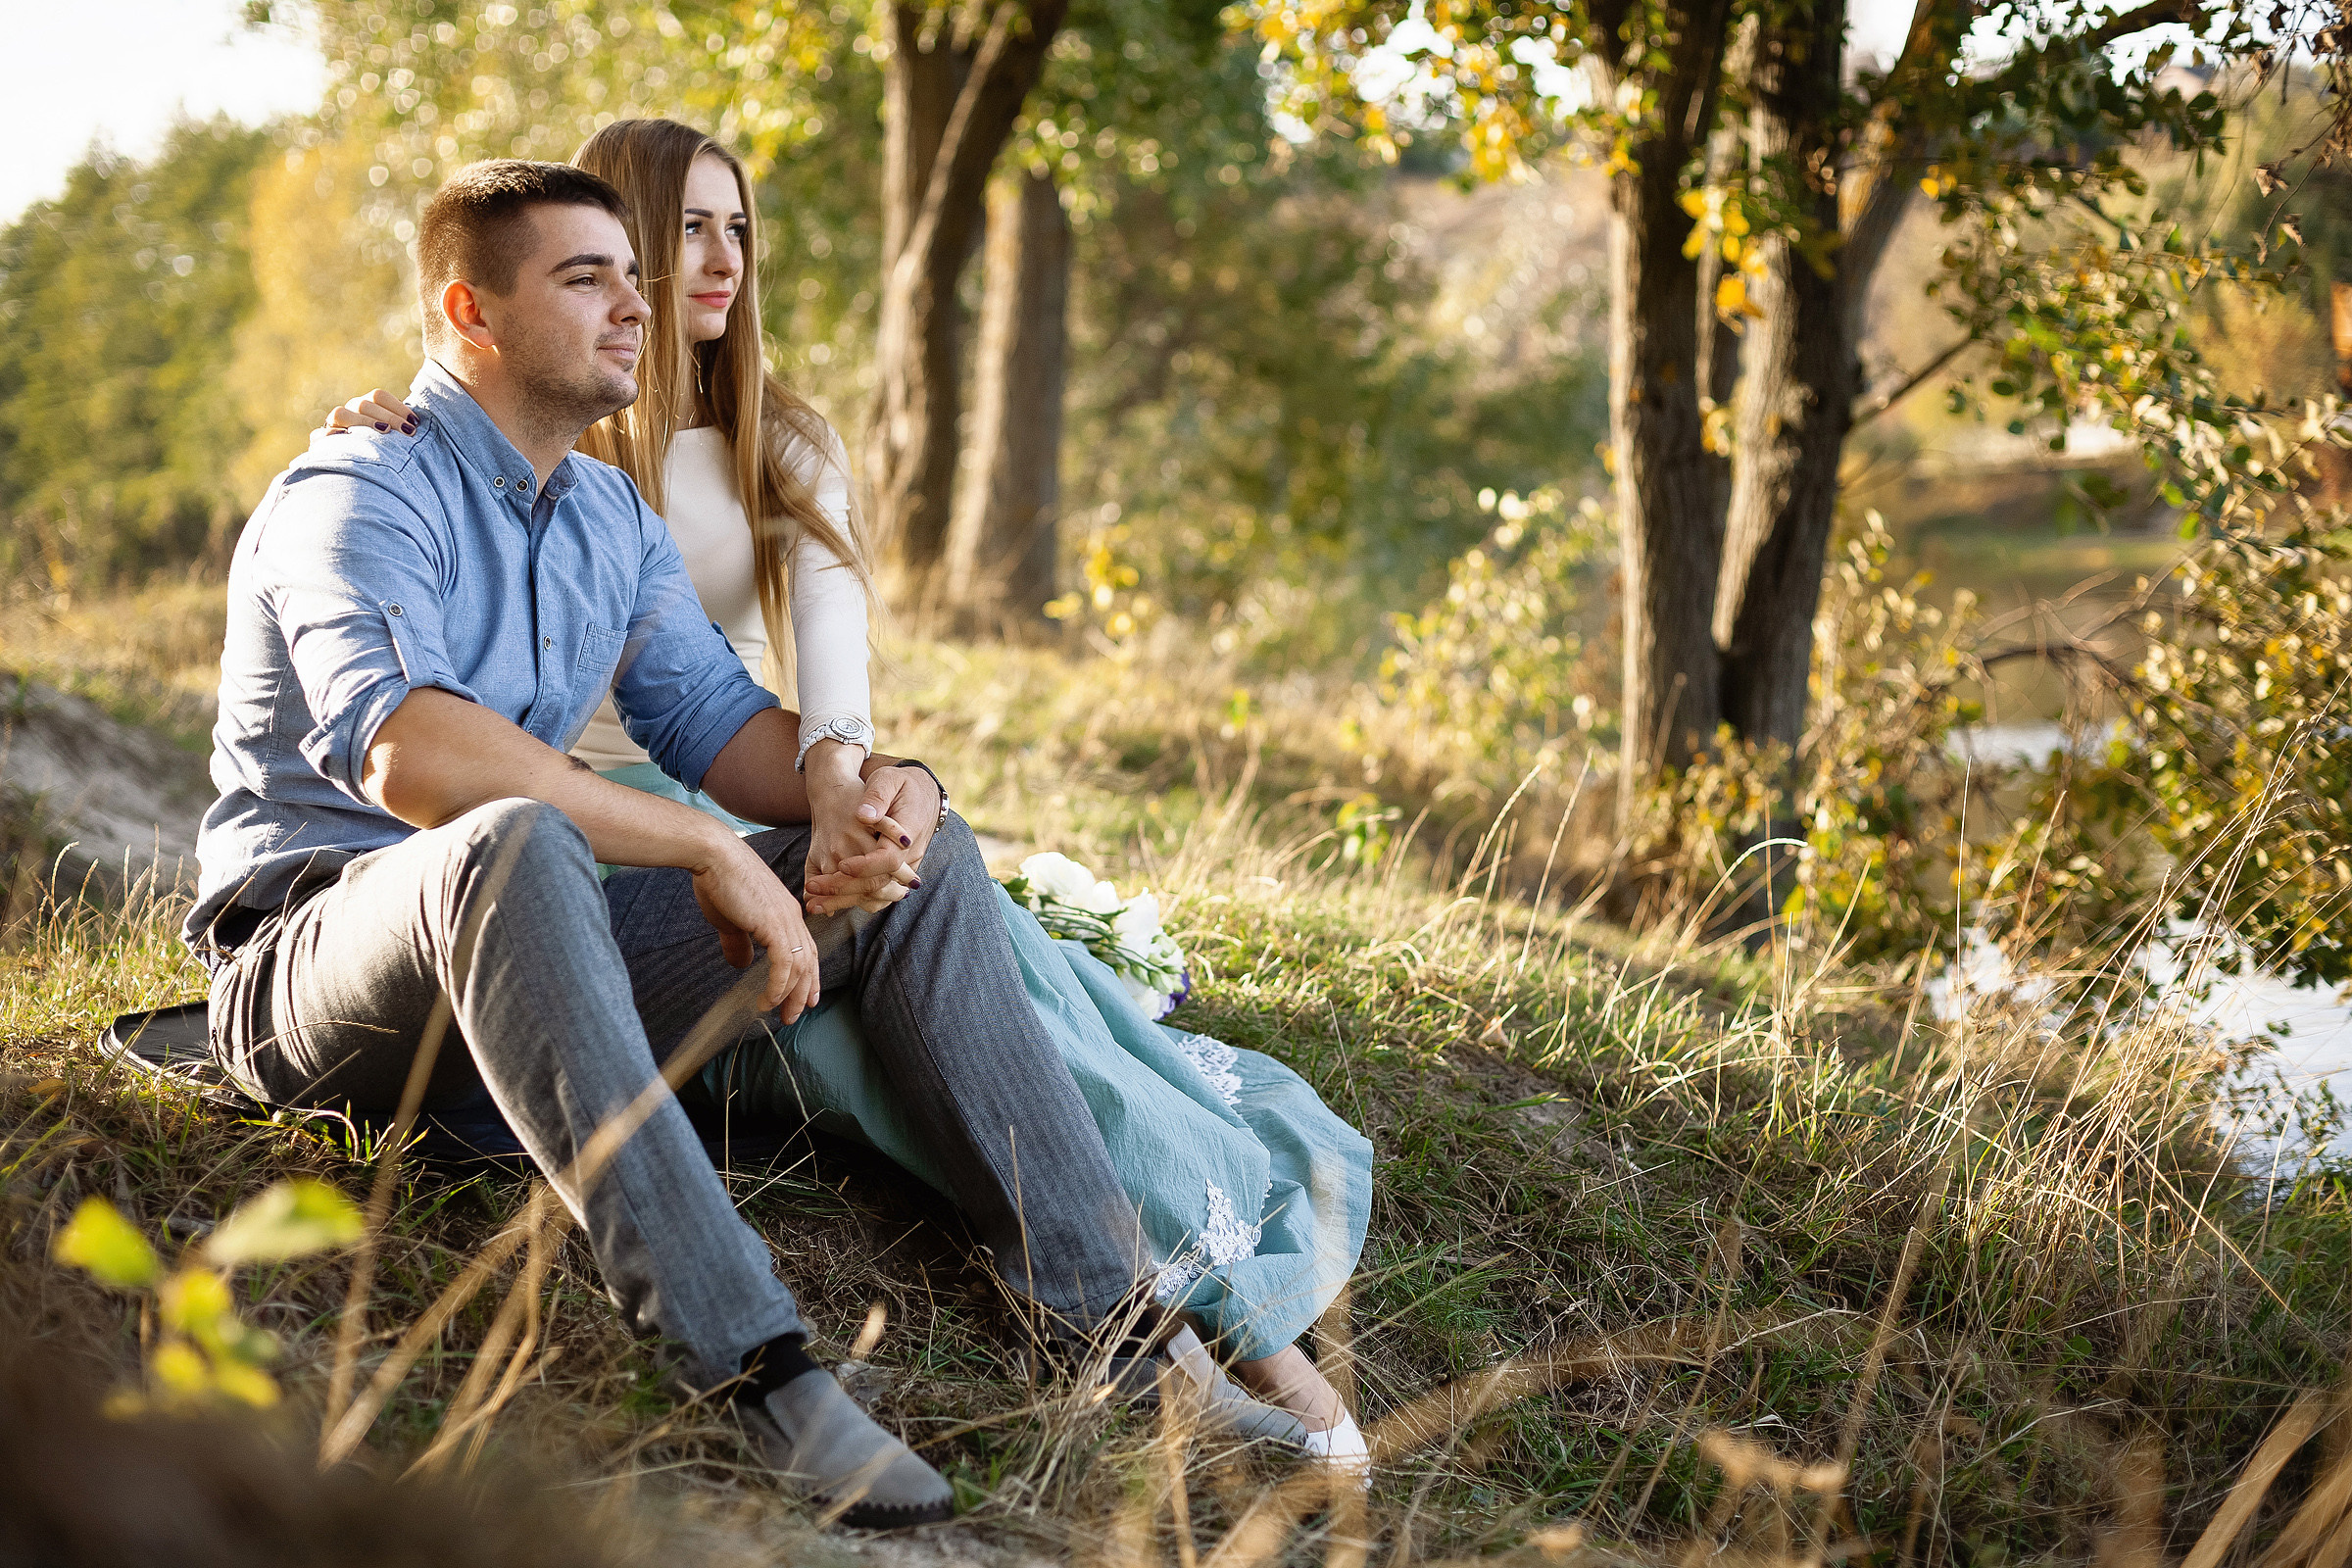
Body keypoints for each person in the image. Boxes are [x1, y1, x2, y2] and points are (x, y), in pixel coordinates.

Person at [191, 158, 1295, 1534]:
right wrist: (701, 854)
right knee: (514, 839)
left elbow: (726, 731)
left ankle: (1109, 1341)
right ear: (469, 312)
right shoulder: (358, 493)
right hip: (317, 981)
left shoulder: (607, 515)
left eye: (633, 278)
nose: (636, 306)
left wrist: (885, 790)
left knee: (918, 855)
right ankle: (760, 1369)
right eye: (585, 278)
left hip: (545, 976)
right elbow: (411, 754)